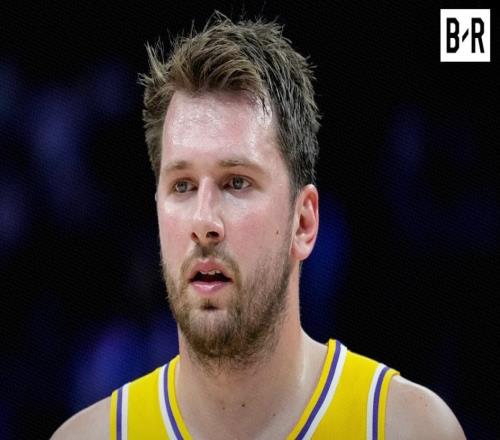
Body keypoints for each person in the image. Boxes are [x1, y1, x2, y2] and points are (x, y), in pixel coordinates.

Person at [52, 13, 465, 440]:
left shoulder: (408, 428)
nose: (204, 222)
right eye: (183, 185)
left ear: (303, 223)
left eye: (236, 182)